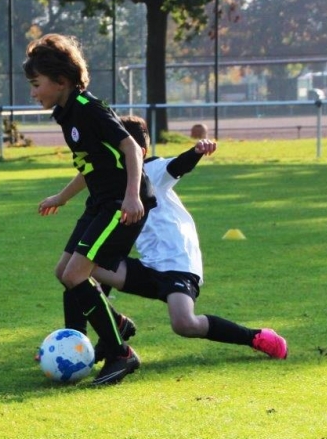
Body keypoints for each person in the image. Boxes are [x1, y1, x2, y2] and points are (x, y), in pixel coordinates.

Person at [91, 115, 288, 361]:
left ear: (137, 151)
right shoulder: (116, 181)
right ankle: (111, 332)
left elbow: (177, 166)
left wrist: (196, 152)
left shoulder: (151, 170)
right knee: (84, 267)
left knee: (185, 324)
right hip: (149, 265)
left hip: (177, 263)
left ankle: (255, 337)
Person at [25, 33, 157, 385]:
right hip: (100, 202)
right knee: (64, 272)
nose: (33, 93)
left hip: (120, 204)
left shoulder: (88, 108)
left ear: (61, 81)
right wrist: (61, 197)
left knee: (75, 275)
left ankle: (120, 353)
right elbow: (92, 165)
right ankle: (92, 336)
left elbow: (132, 149)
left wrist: (132, 196)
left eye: (36, 84)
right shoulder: (66, 113)